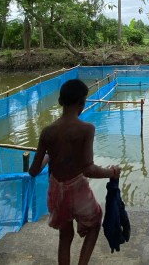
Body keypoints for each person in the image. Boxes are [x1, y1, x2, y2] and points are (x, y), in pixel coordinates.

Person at [29, 79, 121, 265]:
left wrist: (50, 156)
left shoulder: (47, 132)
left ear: (61, 102)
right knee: (95, 223)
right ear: (82, 103)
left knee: (65, 236)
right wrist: (111, 172)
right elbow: (88, 169)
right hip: (77, 190)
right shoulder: (86, 129)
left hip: (56, 191)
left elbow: (33, 171)